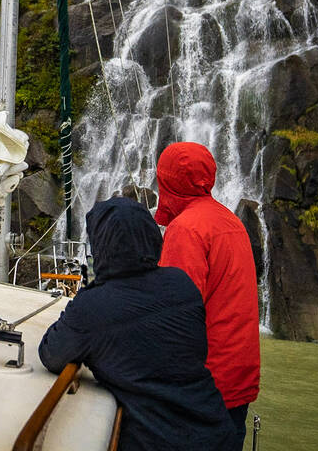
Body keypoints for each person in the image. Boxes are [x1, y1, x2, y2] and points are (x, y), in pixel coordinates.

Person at [38, 197, 236, 451]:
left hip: (156, 442)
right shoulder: (182, 284)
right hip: (216, 433)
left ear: (100, 247)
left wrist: (89, 294)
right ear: (152, 237)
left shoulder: (93, 307)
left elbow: (51, 353)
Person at [155, 142, 260, 447]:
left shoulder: (186, 229)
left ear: (166, 180)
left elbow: (175, 314)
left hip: (202, 385)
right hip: (237, 379)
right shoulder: (231, 222)